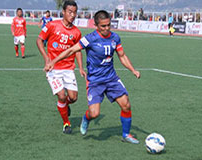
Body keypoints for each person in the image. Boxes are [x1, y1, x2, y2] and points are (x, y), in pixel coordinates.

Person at [45, 10, 141, 144]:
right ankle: (86, 118)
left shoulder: (115, 38)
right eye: (103, 26)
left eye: (108, 25)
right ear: (96, 25)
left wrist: (133, 70)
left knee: (126, 104)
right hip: (95, 81)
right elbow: (72, 50)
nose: (107, 28)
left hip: (111, 78)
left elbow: (122, 56)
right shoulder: (89, 38)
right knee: (94, 113)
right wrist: (53, 62)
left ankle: (126, 134)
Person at [36, 1, 86, 134]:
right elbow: (39, 40)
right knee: (62, 96)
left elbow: (78, 51)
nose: (73, 15)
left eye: (75, 12)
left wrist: (81, 68)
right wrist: (46, 58)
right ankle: (66, 123)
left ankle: (64, 106)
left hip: (69, 69)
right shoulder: (52, 25)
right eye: (70, 12)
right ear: (63, 12)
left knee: (73, 98)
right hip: (53, 69)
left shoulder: (76, 32)